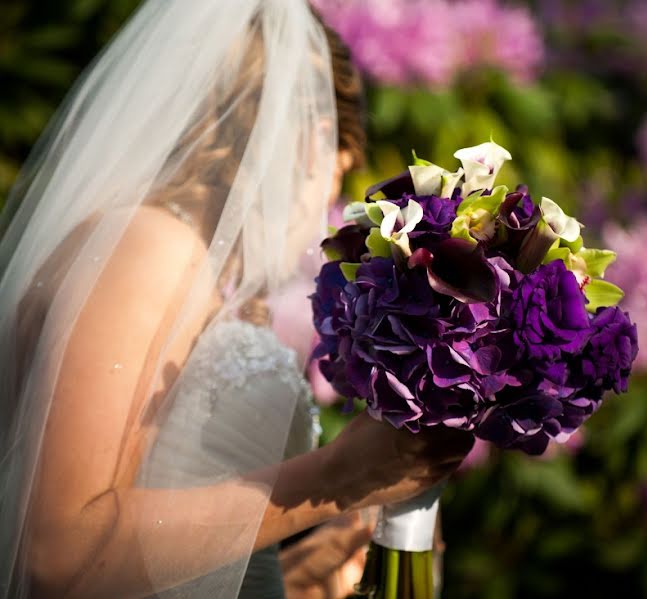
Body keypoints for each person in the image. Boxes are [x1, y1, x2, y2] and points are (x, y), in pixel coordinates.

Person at [0, 1, 472, 598]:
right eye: (340, 176)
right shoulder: (148, 247)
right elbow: (61, 550)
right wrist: (344, 475)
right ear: (320, 141)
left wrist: (291, 581)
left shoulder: (186, 263)